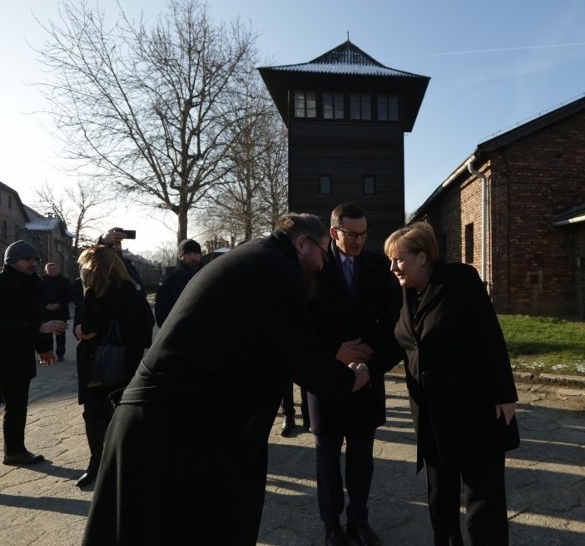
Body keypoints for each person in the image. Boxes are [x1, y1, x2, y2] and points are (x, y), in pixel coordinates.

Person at [83, 213, 372, 546]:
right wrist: (349, 381)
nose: (323, 265)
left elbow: (276, 339)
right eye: (323, 254)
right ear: (303, 243)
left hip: (170, 425)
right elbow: (296, 350)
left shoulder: (259, 259)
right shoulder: (277, 270)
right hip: (169, 434)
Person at [384, 221, 519, 545]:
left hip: (474, 411)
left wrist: (504, 395)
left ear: (421, 256)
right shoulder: (404, 295)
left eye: (398, 259)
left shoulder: (460, 281)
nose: (393, 267)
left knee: (482, 502)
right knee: (440, 501)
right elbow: (400, 344)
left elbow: (490, 338)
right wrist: (357, 368)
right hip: (431, 419)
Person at [306, 203, 402, 546]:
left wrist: (370, 363)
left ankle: (358, 522)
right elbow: (302, 325)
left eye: (364, 234)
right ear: (334, 233)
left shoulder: (379, 267)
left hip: (367, 379)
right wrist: (336, 351)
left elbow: (393, 324)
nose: (360, 240)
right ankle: (331, 525)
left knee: (361, 460)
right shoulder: (313, 268)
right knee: (327, 459)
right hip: (327, 380)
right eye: (352, 234)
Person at [73, 246, 150, 488]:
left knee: (116, 411)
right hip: (95, 360)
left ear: (96, 265)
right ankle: (97, 463)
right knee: (93, 413)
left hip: (115, 361)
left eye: (85, 264)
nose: (83, 269)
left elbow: (135, 326)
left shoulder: (125, 288)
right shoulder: (90, 289)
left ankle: (117, 463)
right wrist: (80, 328)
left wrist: (88, 328)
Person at [0, 241, 64, 465]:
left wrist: (44, 347)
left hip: (20, 357)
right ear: (11, 261)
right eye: (27, 260)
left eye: (35, 260)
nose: (33, 264)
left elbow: (35, 318)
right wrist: (37, 329)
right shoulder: (2, 284)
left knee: (17, 406)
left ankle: (14, 451)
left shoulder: (34, 285)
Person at [154, 238, 204, 327]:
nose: (193, 257)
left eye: (196, 253)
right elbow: (162, 318)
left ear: (200, 256)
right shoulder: (169, 284)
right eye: (188, 254)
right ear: (180, 257)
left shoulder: (208, 277)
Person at [40, 262, 72, 362]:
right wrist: (45, 305)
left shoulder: (65, 282)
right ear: (46, 270)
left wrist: (59, 304)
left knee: (60, 334)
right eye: (49, 269)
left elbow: (69, 295)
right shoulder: (40, 281)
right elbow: (37, 296)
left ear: (58, 270)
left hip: (60, 311)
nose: (52, 271)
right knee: (46, 335)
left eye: (54, 269)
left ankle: (60, 354)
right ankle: (49, 352)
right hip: (46, 311)